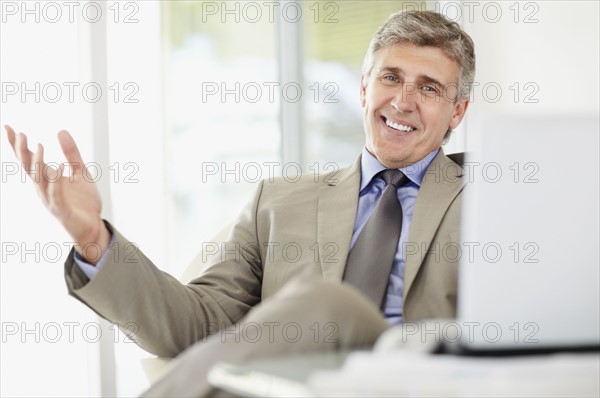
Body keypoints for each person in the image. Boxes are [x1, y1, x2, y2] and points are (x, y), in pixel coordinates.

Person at [6, 9, 474, 397]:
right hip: (292, 388)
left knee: (329, 301)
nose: (404, 100)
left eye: (429, 88)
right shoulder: (278, 203)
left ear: (457, 110)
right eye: (391, 78)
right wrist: (95, 241)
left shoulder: (485, 196)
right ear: (364, 89)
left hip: (422, 381)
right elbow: (198, 325)